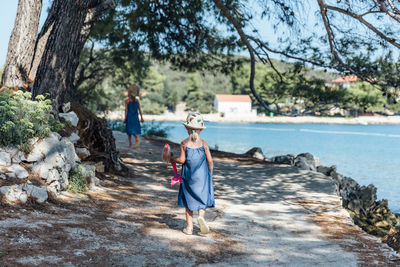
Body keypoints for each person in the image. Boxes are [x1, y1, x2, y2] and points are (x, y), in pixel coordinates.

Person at [171, 112, 215, 235]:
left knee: (188, 201)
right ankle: (201, 217)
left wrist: (172, 158)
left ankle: (189, 228)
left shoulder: (184, 143)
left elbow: (182, 160)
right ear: (201, 129)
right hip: (202, 177)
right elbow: (210, 161)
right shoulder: (204, 143)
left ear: (186, 127)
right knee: (202, 198)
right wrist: (210, 174)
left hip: (189, 177)